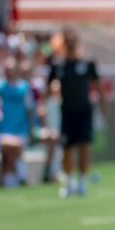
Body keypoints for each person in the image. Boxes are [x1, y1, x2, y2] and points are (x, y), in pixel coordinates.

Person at [46, 29, 107, 197]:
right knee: (67, 147)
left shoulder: (87, 64)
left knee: (84, 146)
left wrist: (104, 108)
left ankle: (82, 181)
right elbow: (47, 88)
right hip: (67, 111)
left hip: (84, 111)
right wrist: (44, 107)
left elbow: (99, 86)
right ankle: (69, 182)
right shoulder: (58, 66)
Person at [0, 58, 36, 187]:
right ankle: (21, 177)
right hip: (3, 130)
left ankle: (13, 182)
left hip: (21, 129)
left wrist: (31, 129)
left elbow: (30, 110)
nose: (10, 73)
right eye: (7, 70)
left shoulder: (24, 87)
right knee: (11, 148)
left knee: (12, 152)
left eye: (12, 70)